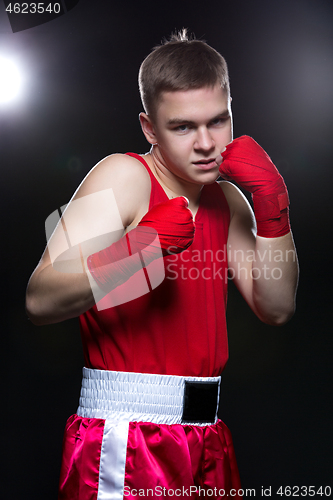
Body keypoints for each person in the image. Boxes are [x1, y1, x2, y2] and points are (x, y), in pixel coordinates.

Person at [26, 29, 298, 500]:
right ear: (150, 128)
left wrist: (273, 205)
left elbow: (276, 307)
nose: (207, 144)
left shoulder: (227, 199)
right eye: (183, 127)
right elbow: (40, 299)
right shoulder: (125, 175)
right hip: (128, 436)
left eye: (219, 121)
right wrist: (141, 251)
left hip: (207, 434)